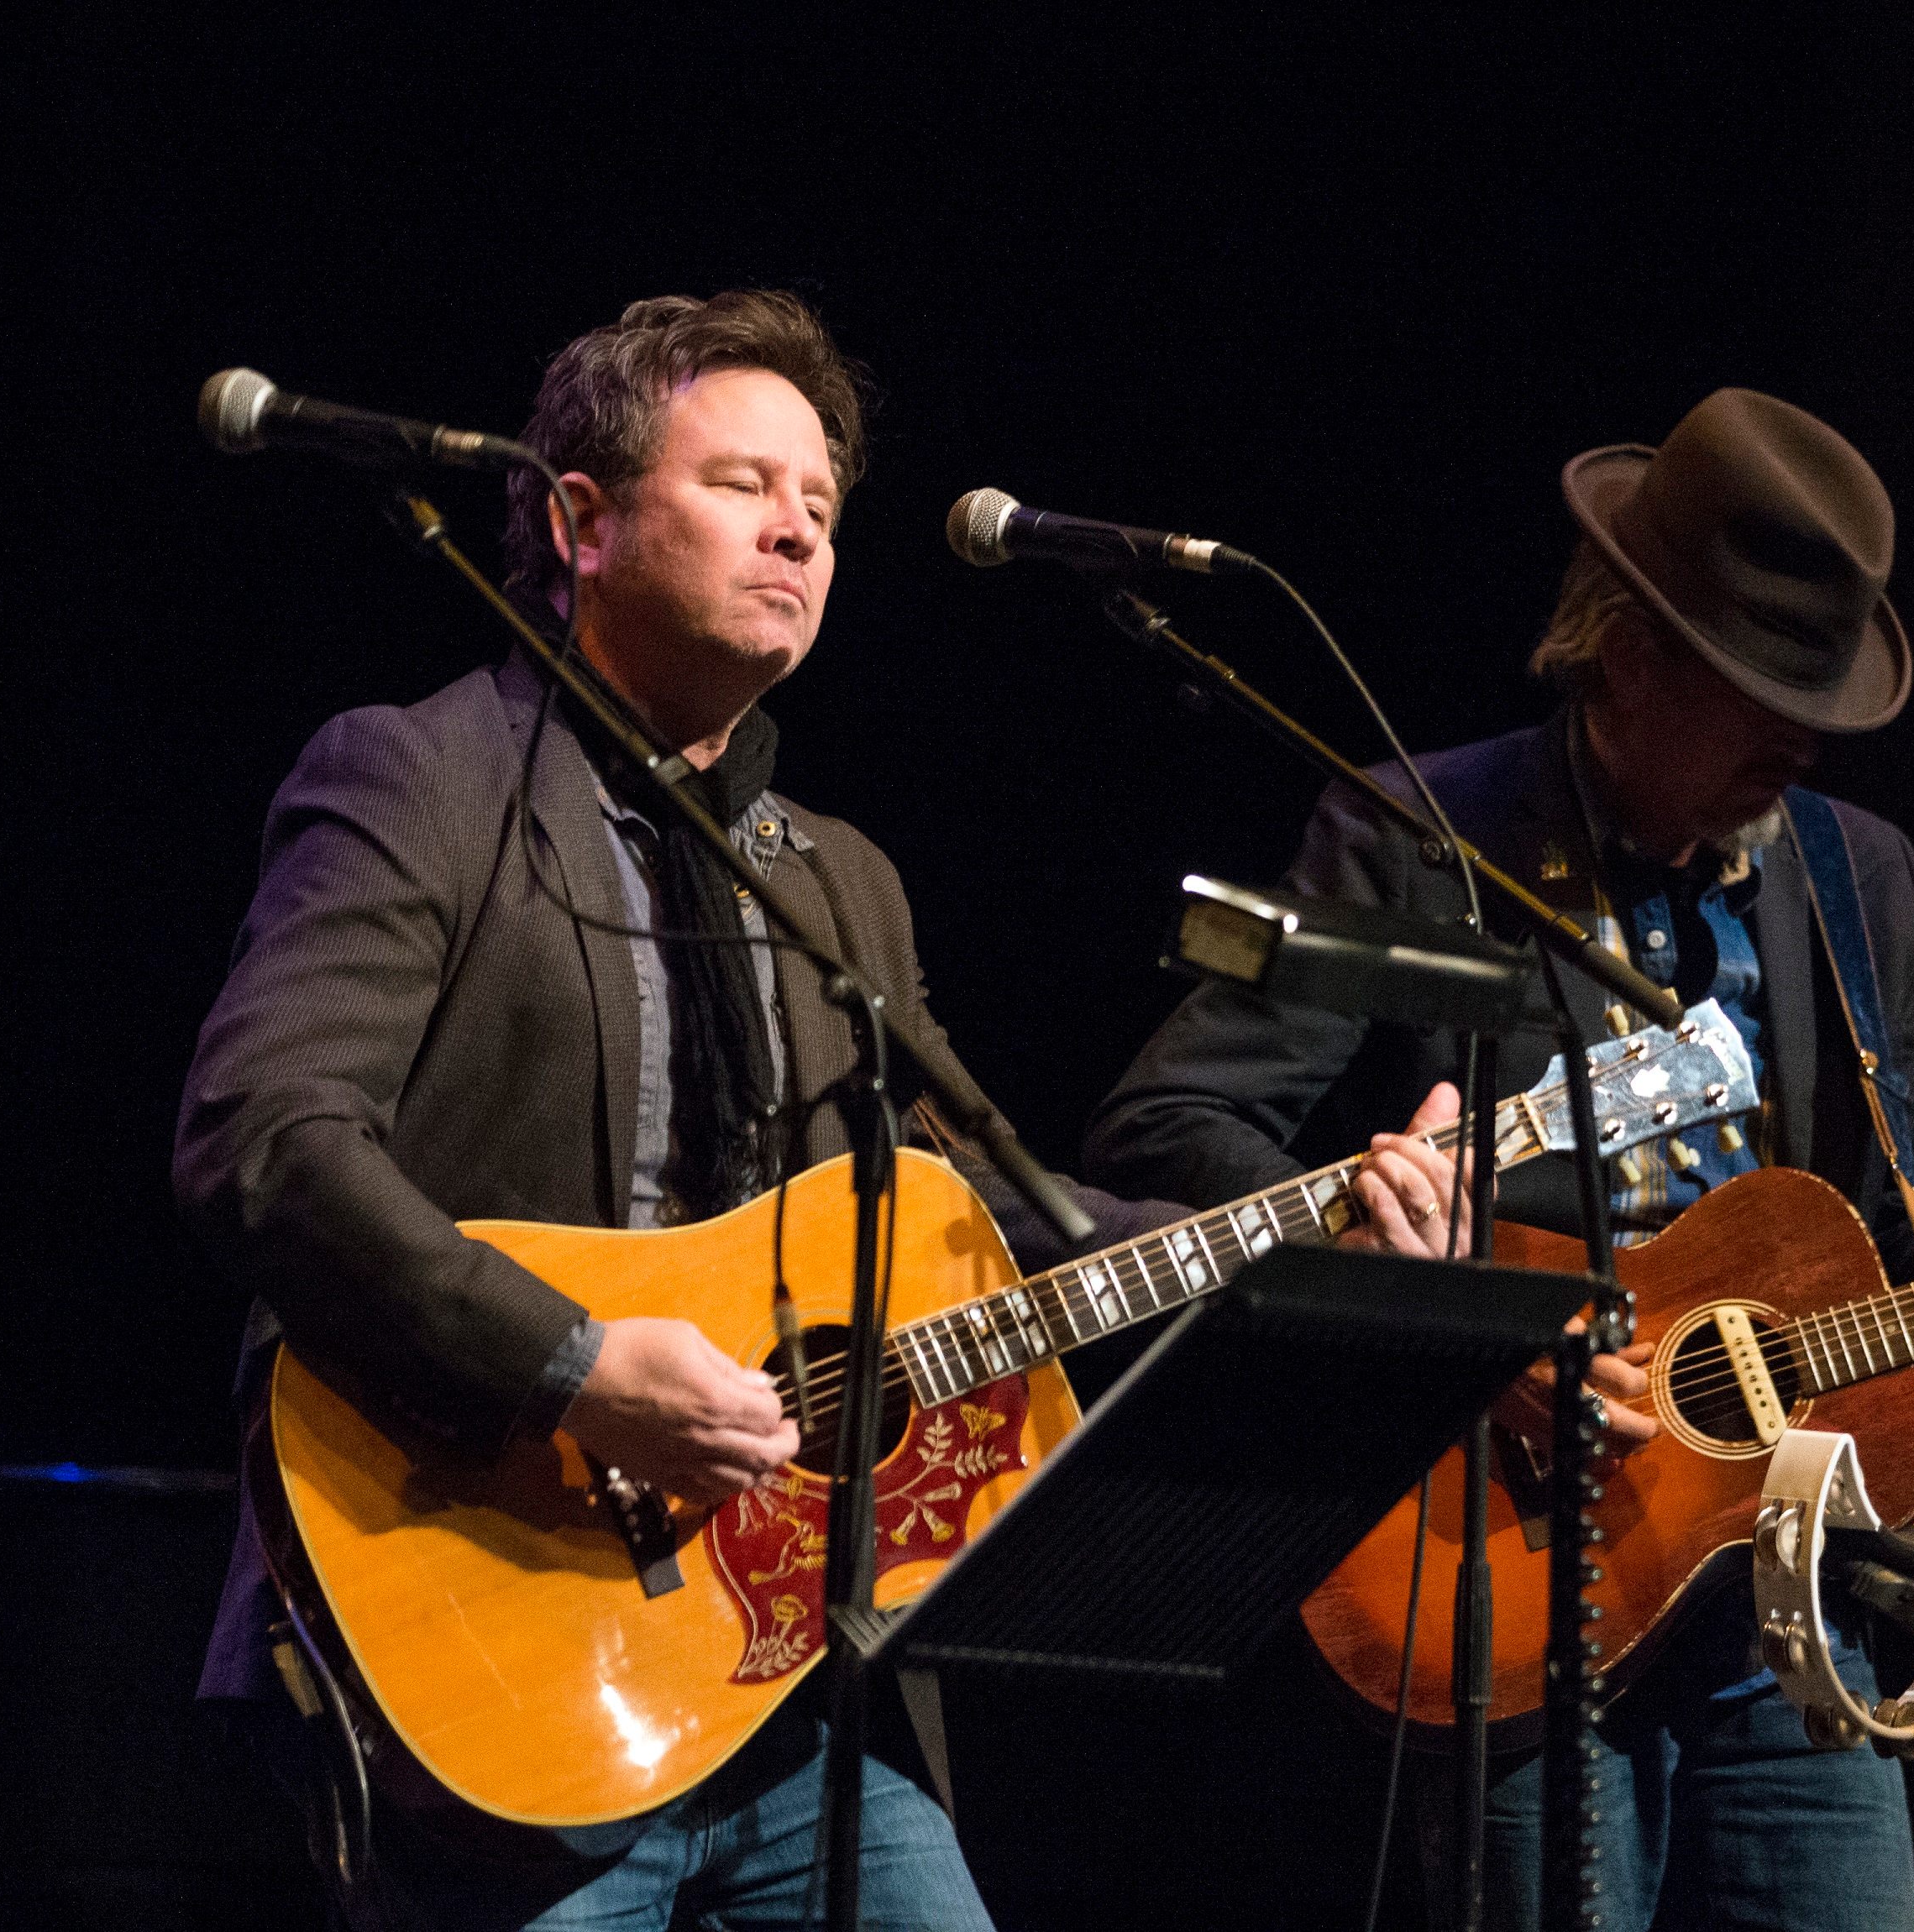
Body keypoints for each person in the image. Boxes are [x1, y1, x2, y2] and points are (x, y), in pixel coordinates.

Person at [175, 291, 1464, 1931]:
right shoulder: (412, 782)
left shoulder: (833, 877)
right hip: (498, 1666)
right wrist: (572, 1362)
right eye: (741, 484)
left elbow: (996, 1223)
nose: (796, 528)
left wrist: (1317, 1214)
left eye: (822, 507)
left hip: (790, 1686)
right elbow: (266, 1139)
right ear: (580, 516)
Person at [1078, 387, 1914, 1931]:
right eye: (1754, 686)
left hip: (1790, 1597)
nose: (1797, 737)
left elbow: (1908, 1242)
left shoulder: (1861, 876)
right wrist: (1456, 1320)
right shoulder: (1421, 836)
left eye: (1822, 698)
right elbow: (1168, 1129)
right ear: (1630, 651)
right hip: (1508, 1565)